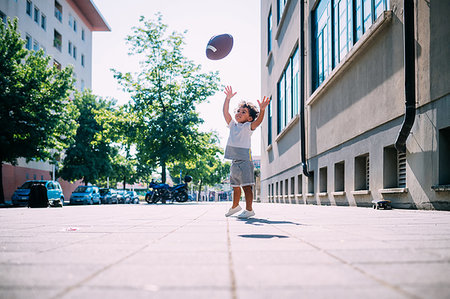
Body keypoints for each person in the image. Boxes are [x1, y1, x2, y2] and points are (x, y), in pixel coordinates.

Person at [223, 86, 270, 218]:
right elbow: (225, 113)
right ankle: (235, 206)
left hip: (244, 160)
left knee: (246, 186)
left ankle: (249, 209)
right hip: (234, 160)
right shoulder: (233, 125)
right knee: (235, 186)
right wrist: (227, 99)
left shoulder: (248, 127)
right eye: (238, 111)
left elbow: (259, 121)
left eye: (243, 112)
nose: (239, 113)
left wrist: (262, 110)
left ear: (249, 118)